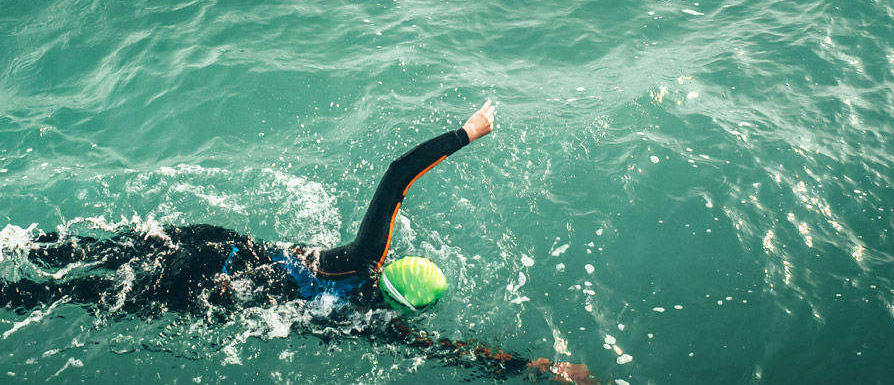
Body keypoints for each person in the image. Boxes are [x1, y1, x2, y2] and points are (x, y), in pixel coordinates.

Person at [0, 100, 597, 384]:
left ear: (397, 264)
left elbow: (395, 175)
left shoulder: (364, 258)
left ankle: (23, 245)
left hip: (223, 248)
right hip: (213, 290)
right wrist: (539, 368)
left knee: (100, 250)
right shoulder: (376, 324)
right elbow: (457, 352)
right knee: (87, 294)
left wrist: (469, 131)